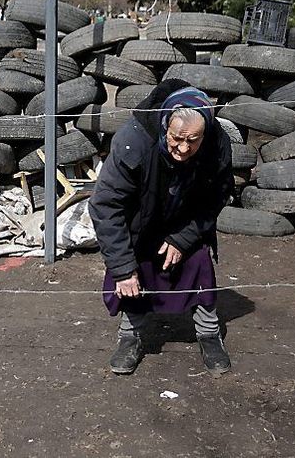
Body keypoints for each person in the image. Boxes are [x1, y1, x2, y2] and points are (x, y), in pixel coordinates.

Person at [89, 80, 234, 376]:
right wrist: (121, 268)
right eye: (176, 138)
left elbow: (219, 195)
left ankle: (209, 333)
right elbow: (105, 206)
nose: (183, 149)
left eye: (193, 140)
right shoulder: (134, 140)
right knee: (133, 270)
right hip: (141, 219)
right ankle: (131, 336)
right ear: (165, 124)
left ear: (205, 131)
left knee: (199, 262)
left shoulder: (217, 143)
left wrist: (183, 239)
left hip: (186, 221)